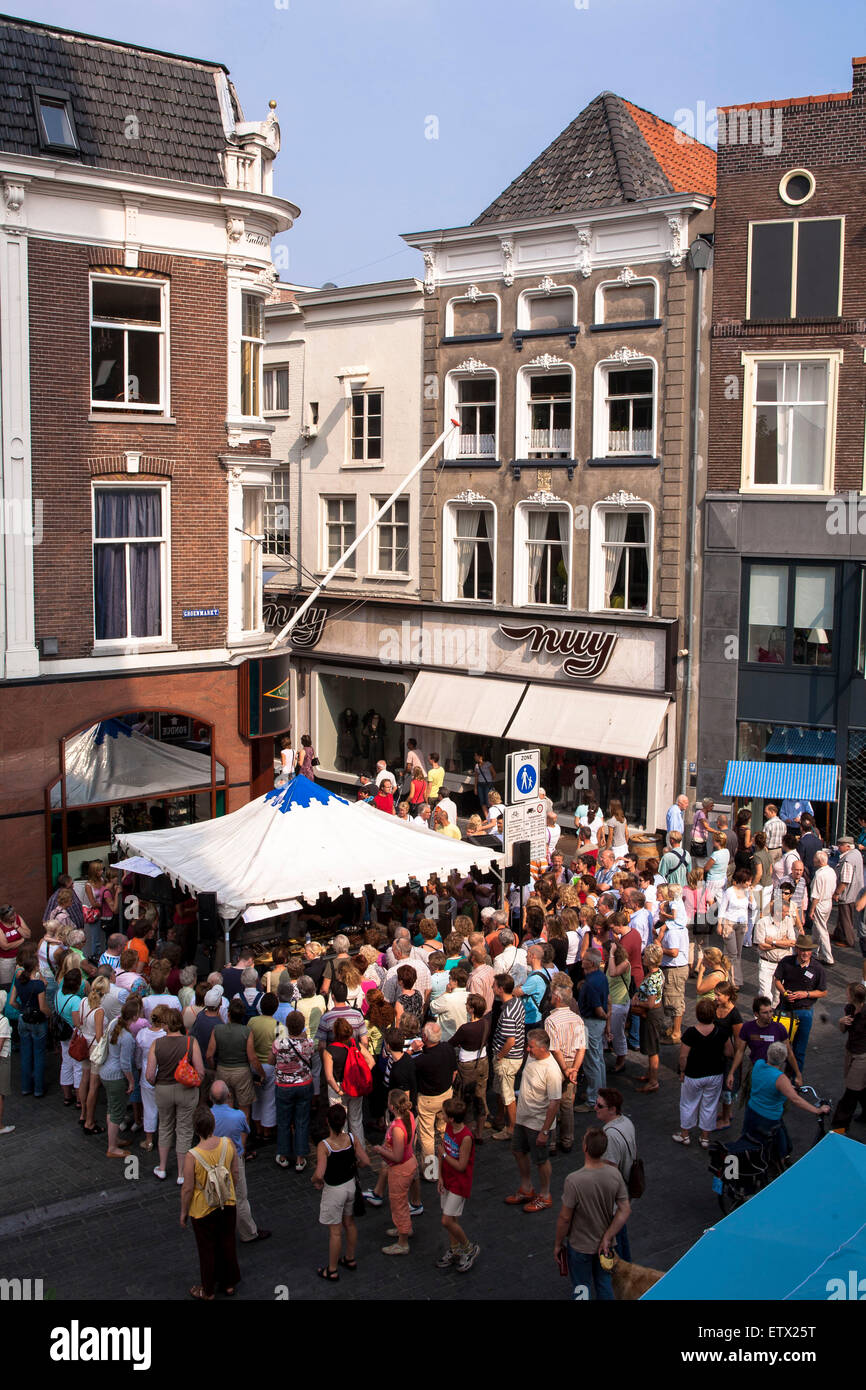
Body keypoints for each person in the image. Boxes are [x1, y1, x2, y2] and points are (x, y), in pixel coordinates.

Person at [554, 1128, 631, 1301]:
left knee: (582, 1286)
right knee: (604, 1283)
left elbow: (565, 1218)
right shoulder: (614, 1175)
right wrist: (608, 1237)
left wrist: (558, 1244)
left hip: (580, 1245)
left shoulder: (574, 1180)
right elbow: (624, 1209)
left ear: (585, 1148)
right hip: (605, 1246)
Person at [180, 1103, 240, 1300]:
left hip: (203, 1208)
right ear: (213, 1125)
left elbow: (188, 1188)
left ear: (196, 1129)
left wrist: (183, 1212)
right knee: (227, 1242)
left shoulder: (192, 1156)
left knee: (207, 1249)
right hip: (228, 1201)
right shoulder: (228, 1144)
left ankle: (208, 1289)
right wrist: (232, 1190)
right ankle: (229, 1282)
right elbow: (235, 1173)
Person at [740, 1041, 829, 1162]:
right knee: (773, 1147)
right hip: (768, 1118)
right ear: (784, 1059)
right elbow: (796, 1099)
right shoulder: (781, 1078)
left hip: (751, 1111)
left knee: (747, 1141)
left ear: (768, 1054)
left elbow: (765, 1082)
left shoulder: (759, 1064)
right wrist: (817, 1110)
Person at [311, 1102, 372, 1280]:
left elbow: (320, 1173)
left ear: (327, 1122)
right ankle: (350, 1258)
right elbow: (366, 1161)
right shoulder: (352, 1138)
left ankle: (332, 1269)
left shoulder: (325, 1145)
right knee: (350, 1223)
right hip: (350, 1185)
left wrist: (314, 1180)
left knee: (335, 1232)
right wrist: (356, 1165)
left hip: (334, 1190)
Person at [505, 1028, 562, 1213]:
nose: (527, 1050)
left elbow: (555, 1103)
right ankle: (527, 1188)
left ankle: (545, 1196)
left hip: (538, 1123)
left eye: (530, 1047)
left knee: (541, 1160)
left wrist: (545, 1131)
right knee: (518, 1151)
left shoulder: (552, 1071)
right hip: (523, 1118)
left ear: (543, 1049)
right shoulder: (533, 1056)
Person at [146, 1007, 204, 1183]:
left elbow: (149, 1074)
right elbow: (200, 1071)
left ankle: (162, 1167)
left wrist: (156, 1083)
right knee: (185, 1130)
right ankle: (181, 1173)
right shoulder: (190, 1042)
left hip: (163, 1088)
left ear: (165, 1024)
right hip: (186, 1090)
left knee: (164, 1126)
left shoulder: (157, 1044)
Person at [673, 997, 733, 1148]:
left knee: (688, 1103)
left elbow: (683, 1056)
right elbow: (729, 1052)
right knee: (710, 1105)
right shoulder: (721, 1032)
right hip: (715, 1074)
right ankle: (705, 1137)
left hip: (693, 1074)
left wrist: (682, 1071)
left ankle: (685, 1134)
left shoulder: (690, 1033)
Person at [370, 1088, 420, 1257]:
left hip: (401, 1168)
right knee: (401, 1201)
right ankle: (403, 1228)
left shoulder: (397, 1127)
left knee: (398, 1203)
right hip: (409, 1162)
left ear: (392, 1107)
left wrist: (380, 1150)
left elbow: (397, 1156)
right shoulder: (410, 1117)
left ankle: (403, 1242)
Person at [773, 935, 827, 1076]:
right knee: (777, 1045)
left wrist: (806, 994)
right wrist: (784, 993)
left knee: (799, 1049)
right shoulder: (786, 962)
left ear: (811, 952)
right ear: (797, 949)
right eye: (802, 950)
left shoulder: (817, 968)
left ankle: (794, 1080)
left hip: (804, 1011)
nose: (805, 953)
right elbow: (777, 980)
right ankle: (774, 1078)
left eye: (808, 950)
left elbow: (823, 992)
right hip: (784, 1010)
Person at [436, 1096, 479, 1271]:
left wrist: (444, 1156)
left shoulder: (466, 1137)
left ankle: (469, 1248)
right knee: (451, 1218)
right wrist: (440, 1176)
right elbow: (443, 1151)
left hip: (459, 1183)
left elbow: (461, 1165)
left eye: (445, 1114)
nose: (442, 1115)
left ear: (452, 1118)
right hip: (447, 1179)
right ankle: (455, 1250)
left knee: (446, 1220)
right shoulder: (449, 1127)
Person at [594, 1088, 637, 1262]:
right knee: (621, 1232)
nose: (595, 1107)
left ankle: (623, 1270)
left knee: (616, 1237)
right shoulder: (626, 1121)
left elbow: (610, 1172)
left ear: (612, 1109)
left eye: (599, 1105)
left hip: (615, 1197)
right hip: (626, 1187)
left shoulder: (610, 1136)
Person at [206, 997, 265, 1124]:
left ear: (228, 1014)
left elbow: (209, 1055)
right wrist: (261, 1073)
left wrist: (214, 1067)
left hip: (222, 1070)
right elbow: (252, 1058)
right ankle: (241, 1142)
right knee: (244, 1110)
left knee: (226, 1106)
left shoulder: (217, 1029)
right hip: (242, 1072)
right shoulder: (247, 1031)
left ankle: (227, 1139)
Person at [727, 996, 802, 1092]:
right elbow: (740, 1052)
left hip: (774, 1072)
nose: (770, 1015)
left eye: (771, 1011)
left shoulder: (779, 1028)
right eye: (765, 1013)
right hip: (755, 1071)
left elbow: (789, 1053)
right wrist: (732, 1072)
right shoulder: (747, 1027)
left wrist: (798, 1073)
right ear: (756, 1014)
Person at [545, 982, 586, 1153]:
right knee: (567, 1103)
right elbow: (581, 1047)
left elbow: (554, 1048)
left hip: (556, 1064)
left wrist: (564, 1068)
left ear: (557, 998)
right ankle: (567, 1139)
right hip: (572, 1062)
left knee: (552, 1102)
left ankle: (552, 1142)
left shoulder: (550, 1020)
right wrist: (574, 1069)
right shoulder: (577, 1019)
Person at [272, 1009, 315, 1170]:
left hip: (283, 1085)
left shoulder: (279, 1043)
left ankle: (283, 1154)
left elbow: (271, 1060)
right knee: (302, 1121)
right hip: (303, 1084)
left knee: (283, 1121)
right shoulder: (308, 1043)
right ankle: (299, 1157)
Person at [322, 1016, 375, 1144]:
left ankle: (344, 1148)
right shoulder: (356, 1044)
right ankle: (360, 1149)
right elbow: (371, 1061)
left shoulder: (329, 1051)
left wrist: (338, 1090)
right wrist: (361, 1076)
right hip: (355, 1085)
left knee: (340, 1122)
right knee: (356, 1120)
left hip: (338, 1086)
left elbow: (329, 1076)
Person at [413, 1021, 456, 1164]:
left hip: (428, 1100)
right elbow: (454, 1071)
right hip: (446, 1094)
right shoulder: (448, 1048)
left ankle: (430, 1171)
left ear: (425, 1037)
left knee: (427, 1136)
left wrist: (412, 1050)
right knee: (444, 1129)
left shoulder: (422, 1060)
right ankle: (449, 1159)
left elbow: (408, 1065)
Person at [9, 947, 50, 1098]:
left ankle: (26, 1087)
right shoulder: (38, 985)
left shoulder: (19, 981)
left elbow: (12, 1002)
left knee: (26, 1054)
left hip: (23, 1019)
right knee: (38, 1054)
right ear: (36, 966)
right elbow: (43, 1007)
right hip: (38, 1021)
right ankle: (38, 1088)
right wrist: (50, 1015)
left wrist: (22, 1009)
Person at [451, 995, 491, 1141]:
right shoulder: (486, 1023)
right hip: (483, 1060)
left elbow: (452, 1043)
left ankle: (467, 1133)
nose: (466, 1006)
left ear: (472, 1009)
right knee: (480, 1095)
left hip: (467, 1064)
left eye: (468, 1005)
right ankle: (479, 1133)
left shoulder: (465, 1028)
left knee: (466, 1098)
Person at [102, 999, 138, 1158]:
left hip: (105, 1072)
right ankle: (112, 1147)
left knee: (111, 1107)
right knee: (117, 1111)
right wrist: (131, 1081)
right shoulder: (127, 1037)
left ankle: (114, 1139)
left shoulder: (114, 1023)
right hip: (116, 1076)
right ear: (135, 1017)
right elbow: (125, 1064)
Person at [74, 974, 109, 1132]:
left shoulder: (82, 1001)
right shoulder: (99, 1010)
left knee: (84, 1079)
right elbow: (100, 1035)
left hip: (83, 1044)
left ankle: (83, 1114)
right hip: (94, 1048)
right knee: (94, 1086)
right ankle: (90, 1121)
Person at [830, 983, 866, 1134]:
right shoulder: (850, 1009)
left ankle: (840, 1125)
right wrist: (841, 1022)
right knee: (861, 1088)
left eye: (847, 993)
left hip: (863, 1056)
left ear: (853, 996)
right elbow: (845, 1031)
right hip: (850, 1052)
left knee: (851, 1091)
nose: (845, 995)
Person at [575, 950, 608, 1112]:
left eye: (586, 959)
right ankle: (600, 1091)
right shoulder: (600, 977)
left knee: (591, 1062)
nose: (582, 961)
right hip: (597, 1024)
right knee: (598, 1059)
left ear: (592, 963)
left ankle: (593, 1099)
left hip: (591, 1023)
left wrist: (605, 1017)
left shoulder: (591, 983)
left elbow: (599, 1009)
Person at [632, 943, 664, 1093]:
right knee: (651, 1044)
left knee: (652, 1048)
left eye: (645, 955)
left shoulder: (652, 979)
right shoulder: (658, 973)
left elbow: (650, 1004)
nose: (642, 957)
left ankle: (653, 1080)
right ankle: (650, 1074)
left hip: (652, 1015)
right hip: (655, 1013)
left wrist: (638, 1001)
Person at [716, 869, 755, 988]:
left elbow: (752, 907)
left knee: (738, 953)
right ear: (742, 880)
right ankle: (735, 982)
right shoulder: (729, 891)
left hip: (741, 924)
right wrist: (719, 924)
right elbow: (722, 908)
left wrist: (751, 895)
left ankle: (725, 975)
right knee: (732, 954)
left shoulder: (747, 892)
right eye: (748, 881)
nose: (749, 884)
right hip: (729, 923)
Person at [753, 896, 798, 999]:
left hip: (783, 963)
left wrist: (772, 941)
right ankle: (762, 1014)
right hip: (767, 962)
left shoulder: (788, 921)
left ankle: (774, 1012)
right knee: (765, 993)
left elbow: (792, 942)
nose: (787, 914)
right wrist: (783, 942)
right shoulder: (762, 923)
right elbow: (762, 946)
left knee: (779, 995)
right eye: (785, 912)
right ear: (777, 912)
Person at [658, 902, 690, 1045]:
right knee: (674, 999)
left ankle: (676, 1033)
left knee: (674, 1000)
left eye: (661, 911)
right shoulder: (677, 926)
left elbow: (674, 952)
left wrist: (659, 948)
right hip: (676, 968)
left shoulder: (673, 932)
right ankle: (674, 1027)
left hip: (674, 969)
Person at [834, 837, 864, 949]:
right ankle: (838, 934)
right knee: (841, 916)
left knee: (846, 917)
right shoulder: (856, 853)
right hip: (856, 891)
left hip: (848, 894)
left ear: (847, 846)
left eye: (840, 845)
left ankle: (849, 940)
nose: (838, 847)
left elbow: (845, 881)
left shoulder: (848, 860)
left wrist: (837, 893)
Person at [809, 851, 837, 966]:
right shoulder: (831, 871)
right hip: (828, 902)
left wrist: (812, 910)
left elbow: (816, 895)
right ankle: (814, 952)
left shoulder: (819, 874)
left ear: (819, 861)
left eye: (815, 859)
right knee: (817, 929)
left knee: (822, 930)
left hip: (820, 904)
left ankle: (828, 957)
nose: (813, 860)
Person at [0, 905, 30, 988]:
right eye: (11, 916)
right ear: (5, 918)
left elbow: (28, 934)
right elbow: (5, 946)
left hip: (21, 957)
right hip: (6, 960)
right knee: (7, 985)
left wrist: (17, 927)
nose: (14, 916)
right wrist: (21, 940)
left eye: (14, 913)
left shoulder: (17, 918)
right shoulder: (0, 926)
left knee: (24, 981)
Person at [473, 751, 496, 817]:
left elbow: (494, 773)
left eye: (476, 755)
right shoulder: (476, 766)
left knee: (488, 800)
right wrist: (475, 788)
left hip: (487, 784)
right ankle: (487, 817)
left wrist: (490, 781)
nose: (475, 757)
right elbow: (476, 777)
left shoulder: (488, 764)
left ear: (480, 757)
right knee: (482, 801)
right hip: (480, 784)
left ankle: (492, 816)